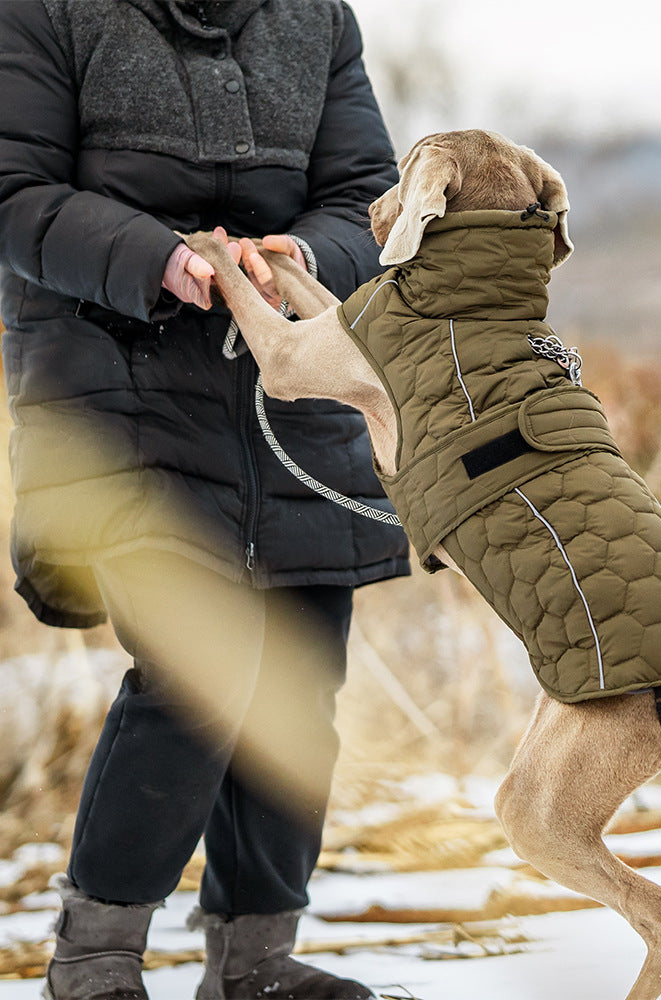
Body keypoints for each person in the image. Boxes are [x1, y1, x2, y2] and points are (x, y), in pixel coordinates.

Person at [0, 2, 410, 998]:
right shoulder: (45, 13)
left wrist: (303, 259)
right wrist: (166, 261)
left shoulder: (315, 19)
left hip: (292, 394)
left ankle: (255, 963)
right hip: (114, 397)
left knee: (299, 682)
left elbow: (370, 200)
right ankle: (94, 960)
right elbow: (14, 198)